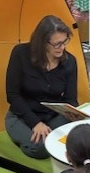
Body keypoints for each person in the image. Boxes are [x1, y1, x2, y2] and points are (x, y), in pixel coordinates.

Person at [5, 15, 78, 159]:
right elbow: (12, 95)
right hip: (22, 115)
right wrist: (35, 123)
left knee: (80, 135)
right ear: (43, 42)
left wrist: (74, 113)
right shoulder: (20, 53)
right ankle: (24, 139)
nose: (62, 47)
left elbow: (71, 99)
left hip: (53, 116)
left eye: (65, 42)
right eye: (57, 44)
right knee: (40, 148)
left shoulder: (70, 61)